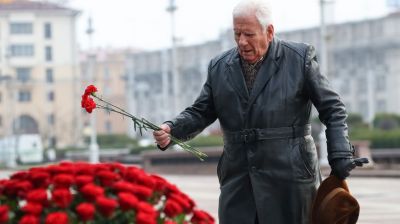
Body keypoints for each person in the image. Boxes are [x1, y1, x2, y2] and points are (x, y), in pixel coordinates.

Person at [153, 0, 368, 223]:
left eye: (249, 34)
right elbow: (201, 111)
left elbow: (332, 108)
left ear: (270, 31)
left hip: (291, 178)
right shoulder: (218, 67)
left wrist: (340, 153)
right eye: (237, 34)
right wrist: (172, 129)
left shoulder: (299, 58)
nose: (242, 42)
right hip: (238, 180)